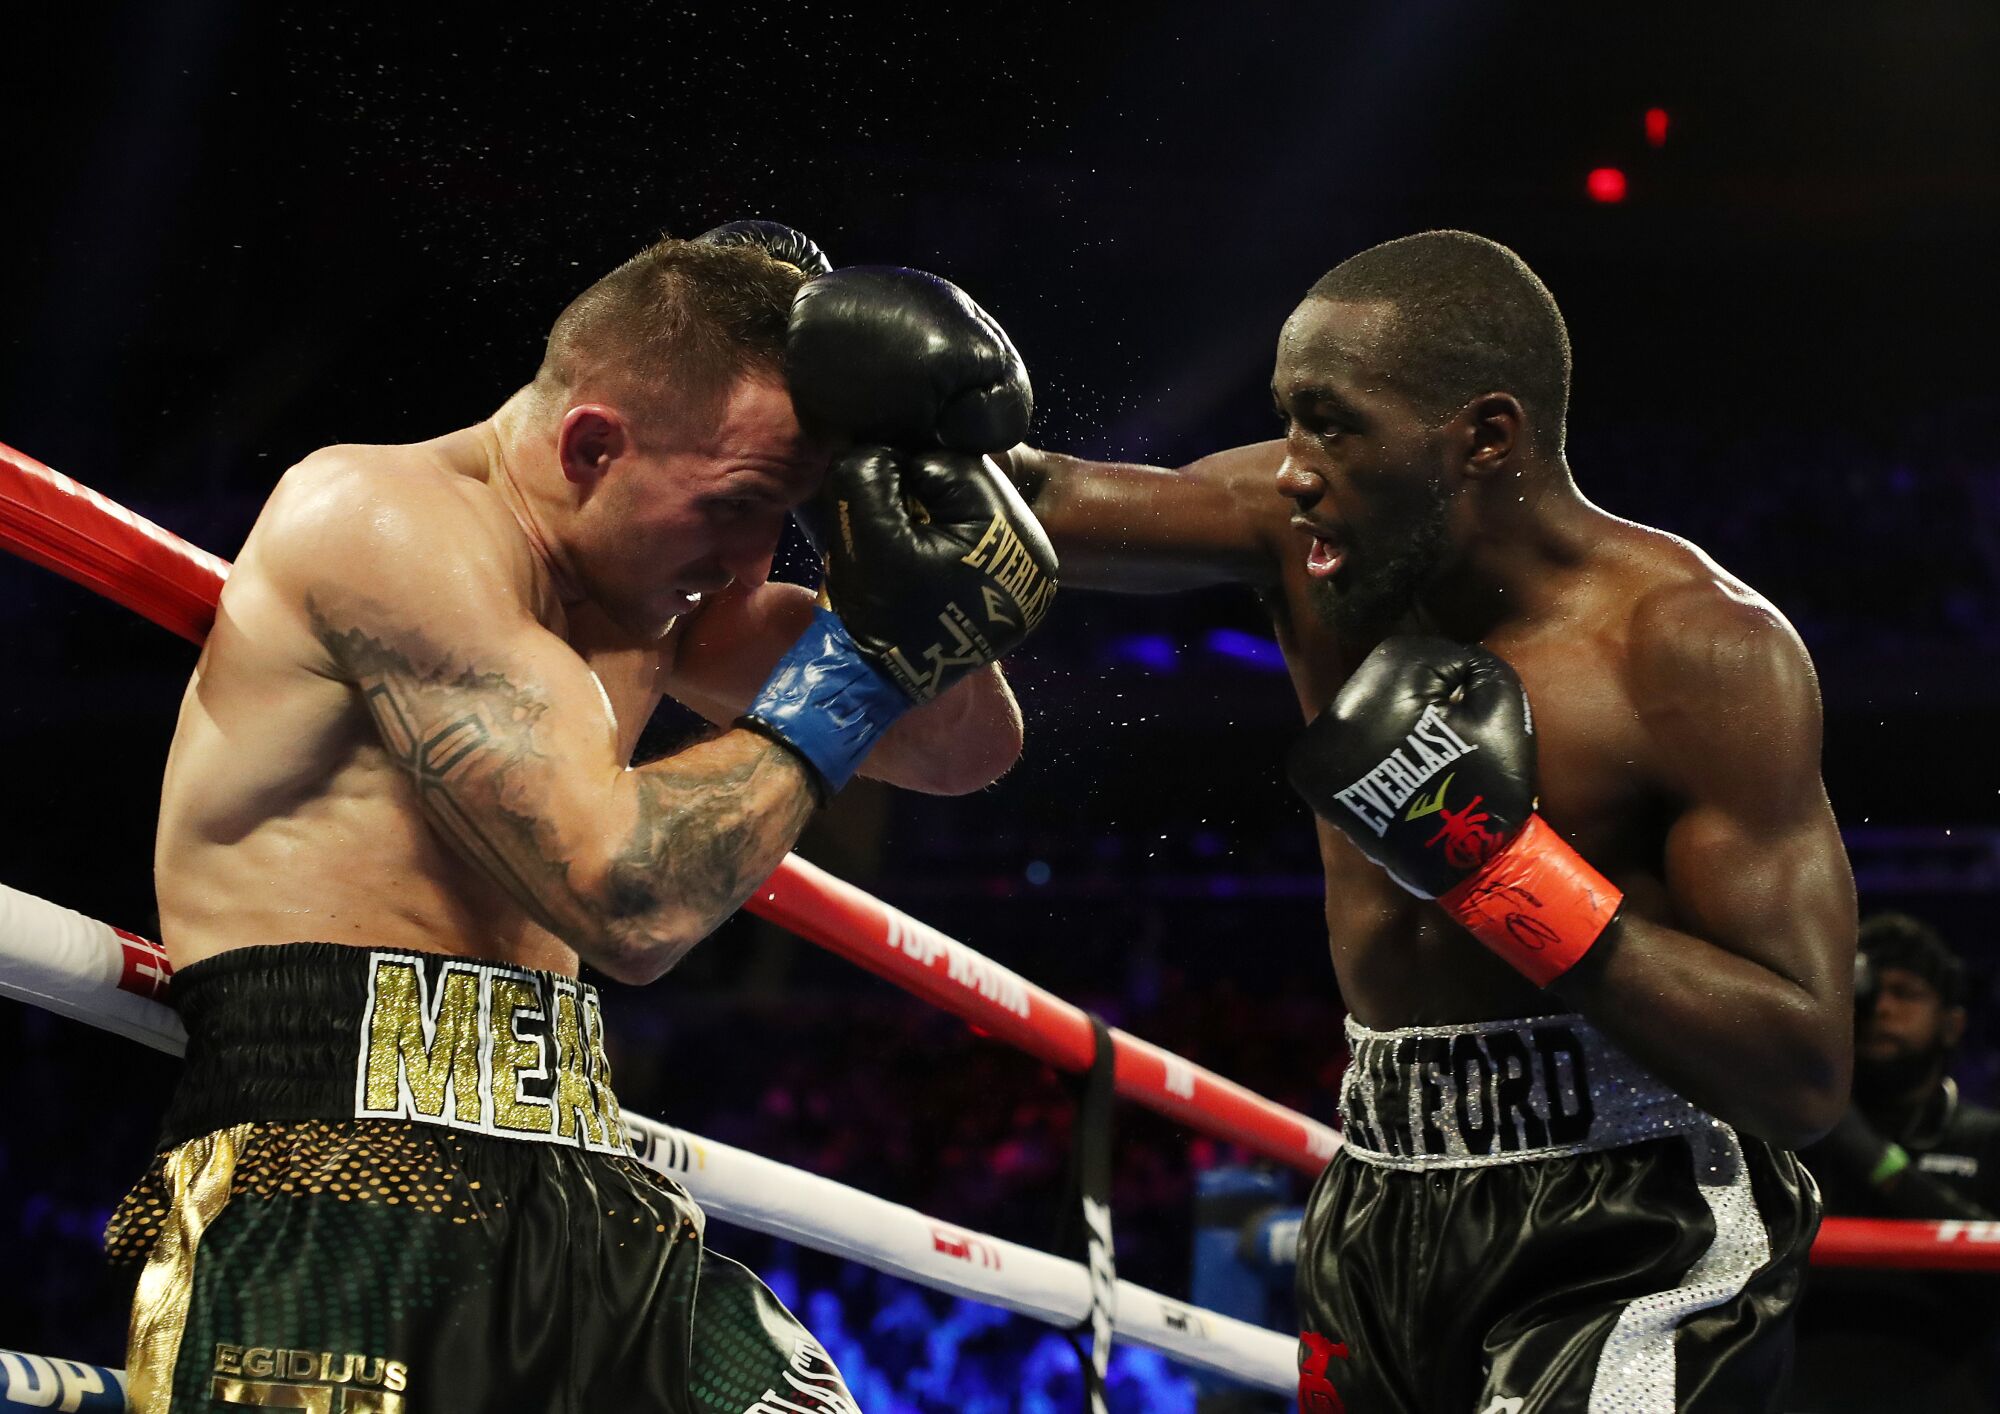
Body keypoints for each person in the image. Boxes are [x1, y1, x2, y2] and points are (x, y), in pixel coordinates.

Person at [107, 223, 1057, 1413]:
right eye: (746, 503)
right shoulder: (377, 516)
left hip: (576, 1181)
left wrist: (906, 518)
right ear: (593, 444)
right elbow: (631, 896)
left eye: (795, 515)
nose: (758, 556)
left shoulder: (658, 590)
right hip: (331, 1155)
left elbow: (964, 746)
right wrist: (859, 661)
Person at [1003, 230, 1856, 1411]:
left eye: (1331, 423)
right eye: (1287, 417)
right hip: (1379, 1191)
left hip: (1632, 1211)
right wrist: (831, 401)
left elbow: (1802, 1072)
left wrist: (1502, 871)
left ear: (1483, 437)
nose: (1293, 465)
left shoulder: (1696, 649)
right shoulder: (1305, 534)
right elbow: (1022, 504)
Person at [1792, 912, 2000, 1412]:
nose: (1881, 1008)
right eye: (1865, 993)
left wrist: (1875, 1160)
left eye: (1906, 992)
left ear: (1953, 1024)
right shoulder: (1789, 1133)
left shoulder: (1988, 1139)